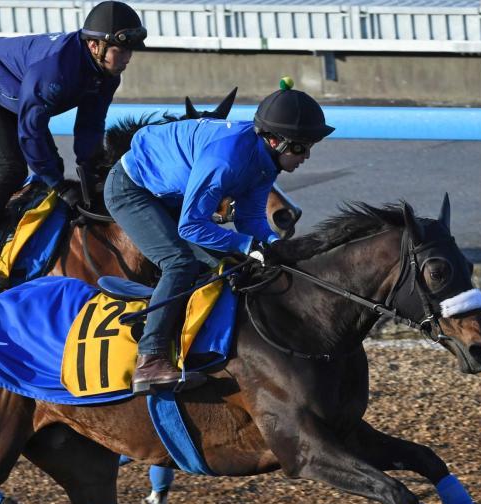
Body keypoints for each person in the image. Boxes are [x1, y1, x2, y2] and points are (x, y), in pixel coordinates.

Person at [103, 80, 334, 394]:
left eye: (309, 147)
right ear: (274, 140)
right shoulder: (227, 160)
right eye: (300, 147)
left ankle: (199, 348)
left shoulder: (264, 163)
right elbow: (190, 227)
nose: (306, 155)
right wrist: (249, 245)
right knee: (179, 263)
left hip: (170, 193)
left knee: (228, 264)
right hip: (131, 190)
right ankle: (151, 359)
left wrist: (279, 247)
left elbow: (250, 220)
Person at [0, 1, 147, 283]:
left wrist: (90, 172)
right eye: (121, 50)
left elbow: (90, 126)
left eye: (129, 51)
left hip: (20, 92)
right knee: (12, 168)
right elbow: (32, 132)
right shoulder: (56, 72)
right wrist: (58, 182)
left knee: (53, 171)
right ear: (94, 46)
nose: (127, 58)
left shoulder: (106, 74)